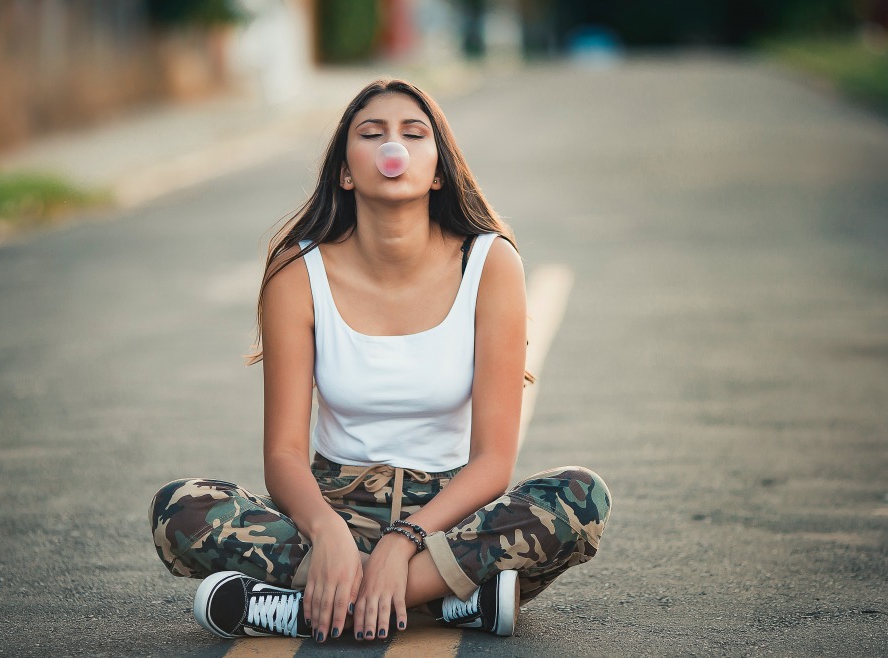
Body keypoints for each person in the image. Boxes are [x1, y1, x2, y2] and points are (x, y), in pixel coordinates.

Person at [148, 78, 611, 643]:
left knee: (579, 498)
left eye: (414, 134)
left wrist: (405, 539)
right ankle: (445, 600)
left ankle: (308, 607)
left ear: (438, 170)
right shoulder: (298, 271)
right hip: (330, 510)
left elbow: (492, 464)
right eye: (372, 133)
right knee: (182, 508)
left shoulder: (489, 263)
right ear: (347, 169)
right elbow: (285, 454)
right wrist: (326, 532)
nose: (394, 146)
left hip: (448, 518)